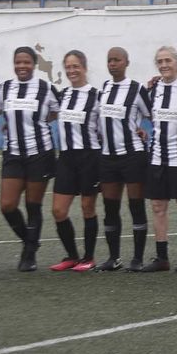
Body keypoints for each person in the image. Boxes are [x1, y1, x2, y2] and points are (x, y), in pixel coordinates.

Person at [133, 45, 177, 273]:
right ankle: (162, 257)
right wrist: (140, 130)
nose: (164, 65)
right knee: (157, 206)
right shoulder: (153, 90)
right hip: (157, 157)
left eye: (168, 60)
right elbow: (141, 113)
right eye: (160, 61)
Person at [0, 45, 60, 272]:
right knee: (7, 205)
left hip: (40, 153)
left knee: (33, 205)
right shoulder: (5, 88)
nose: (22, 66)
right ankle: (30, 240)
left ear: (34, 64)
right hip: (13, 153)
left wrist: (37, 122)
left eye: (26, 62)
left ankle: (29, 255)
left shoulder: (45, 88)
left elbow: (57, 111)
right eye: (18, 62)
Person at [95, 47, 152, 272]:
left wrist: (142, 130)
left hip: (132, 155)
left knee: (135, 205)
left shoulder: (137, 89)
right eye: (109, 60)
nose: (112, 64)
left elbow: (152, 115)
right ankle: (113, 258)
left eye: (117, 60)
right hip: (108, 157)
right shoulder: (105, 88)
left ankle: (137, 259)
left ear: (126, 62)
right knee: (110, 208)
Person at [49, 50, 103, 271]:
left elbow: (105, 127)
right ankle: (71, 256)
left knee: (87, 208)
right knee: (58, 210)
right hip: (66, 157)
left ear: (84, 68)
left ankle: (88, 258)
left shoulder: (97, 96)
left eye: (76, 66)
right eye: (68, 67)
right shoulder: (62, 96)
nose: (72, 71)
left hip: (89, 156)